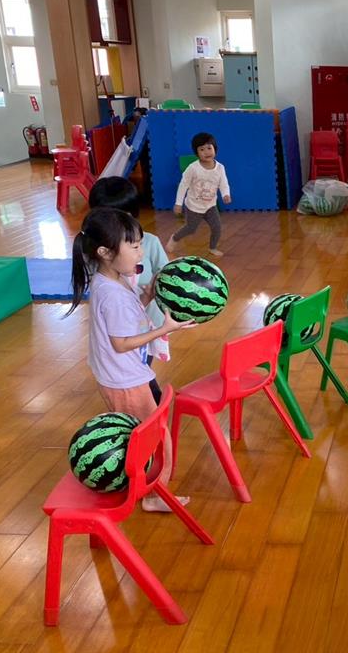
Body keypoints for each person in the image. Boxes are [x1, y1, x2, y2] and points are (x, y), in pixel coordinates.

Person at [68, 207, 195, 512]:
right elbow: (121, 343)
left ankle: (145, 487)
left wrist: (146, 298)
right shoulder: (112, 294)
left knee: (141, 432)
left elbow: (125, 319)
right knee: (153, 439)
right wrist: (165, 329)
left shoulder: (113, 279)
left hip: (122, 374)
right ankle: (153, 495)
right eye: (135, 247)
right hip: (124, 379)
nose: (142, 252)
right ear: (105, 252)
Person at [89, 176, 169, 404]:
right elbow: (119, 337)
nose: (139, 253)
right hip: (124, 334)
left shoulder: (148, 243)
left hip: (146, 323)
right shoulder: (105, 272)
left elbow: (165, 273)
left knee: (142, 366)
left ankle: (149, 403)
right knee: (137, 376)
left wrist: (153, 293)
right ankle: (150, 407)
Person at [167, 132, 231, 257]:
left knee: (217, 227)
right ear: (196, 153)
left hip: (210, 206)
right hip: (194, 206)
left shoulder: (220, 168)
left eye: (209, 148)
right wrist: (178, 203)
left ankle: (212, 248)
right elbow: (183, 185)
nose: (206, 152)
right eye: (202, 149)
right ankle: (174, 238)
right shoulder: (193, 168)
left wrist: (225, 194)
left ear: (215, 149)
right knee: (191, 228)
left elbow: (224, 183)